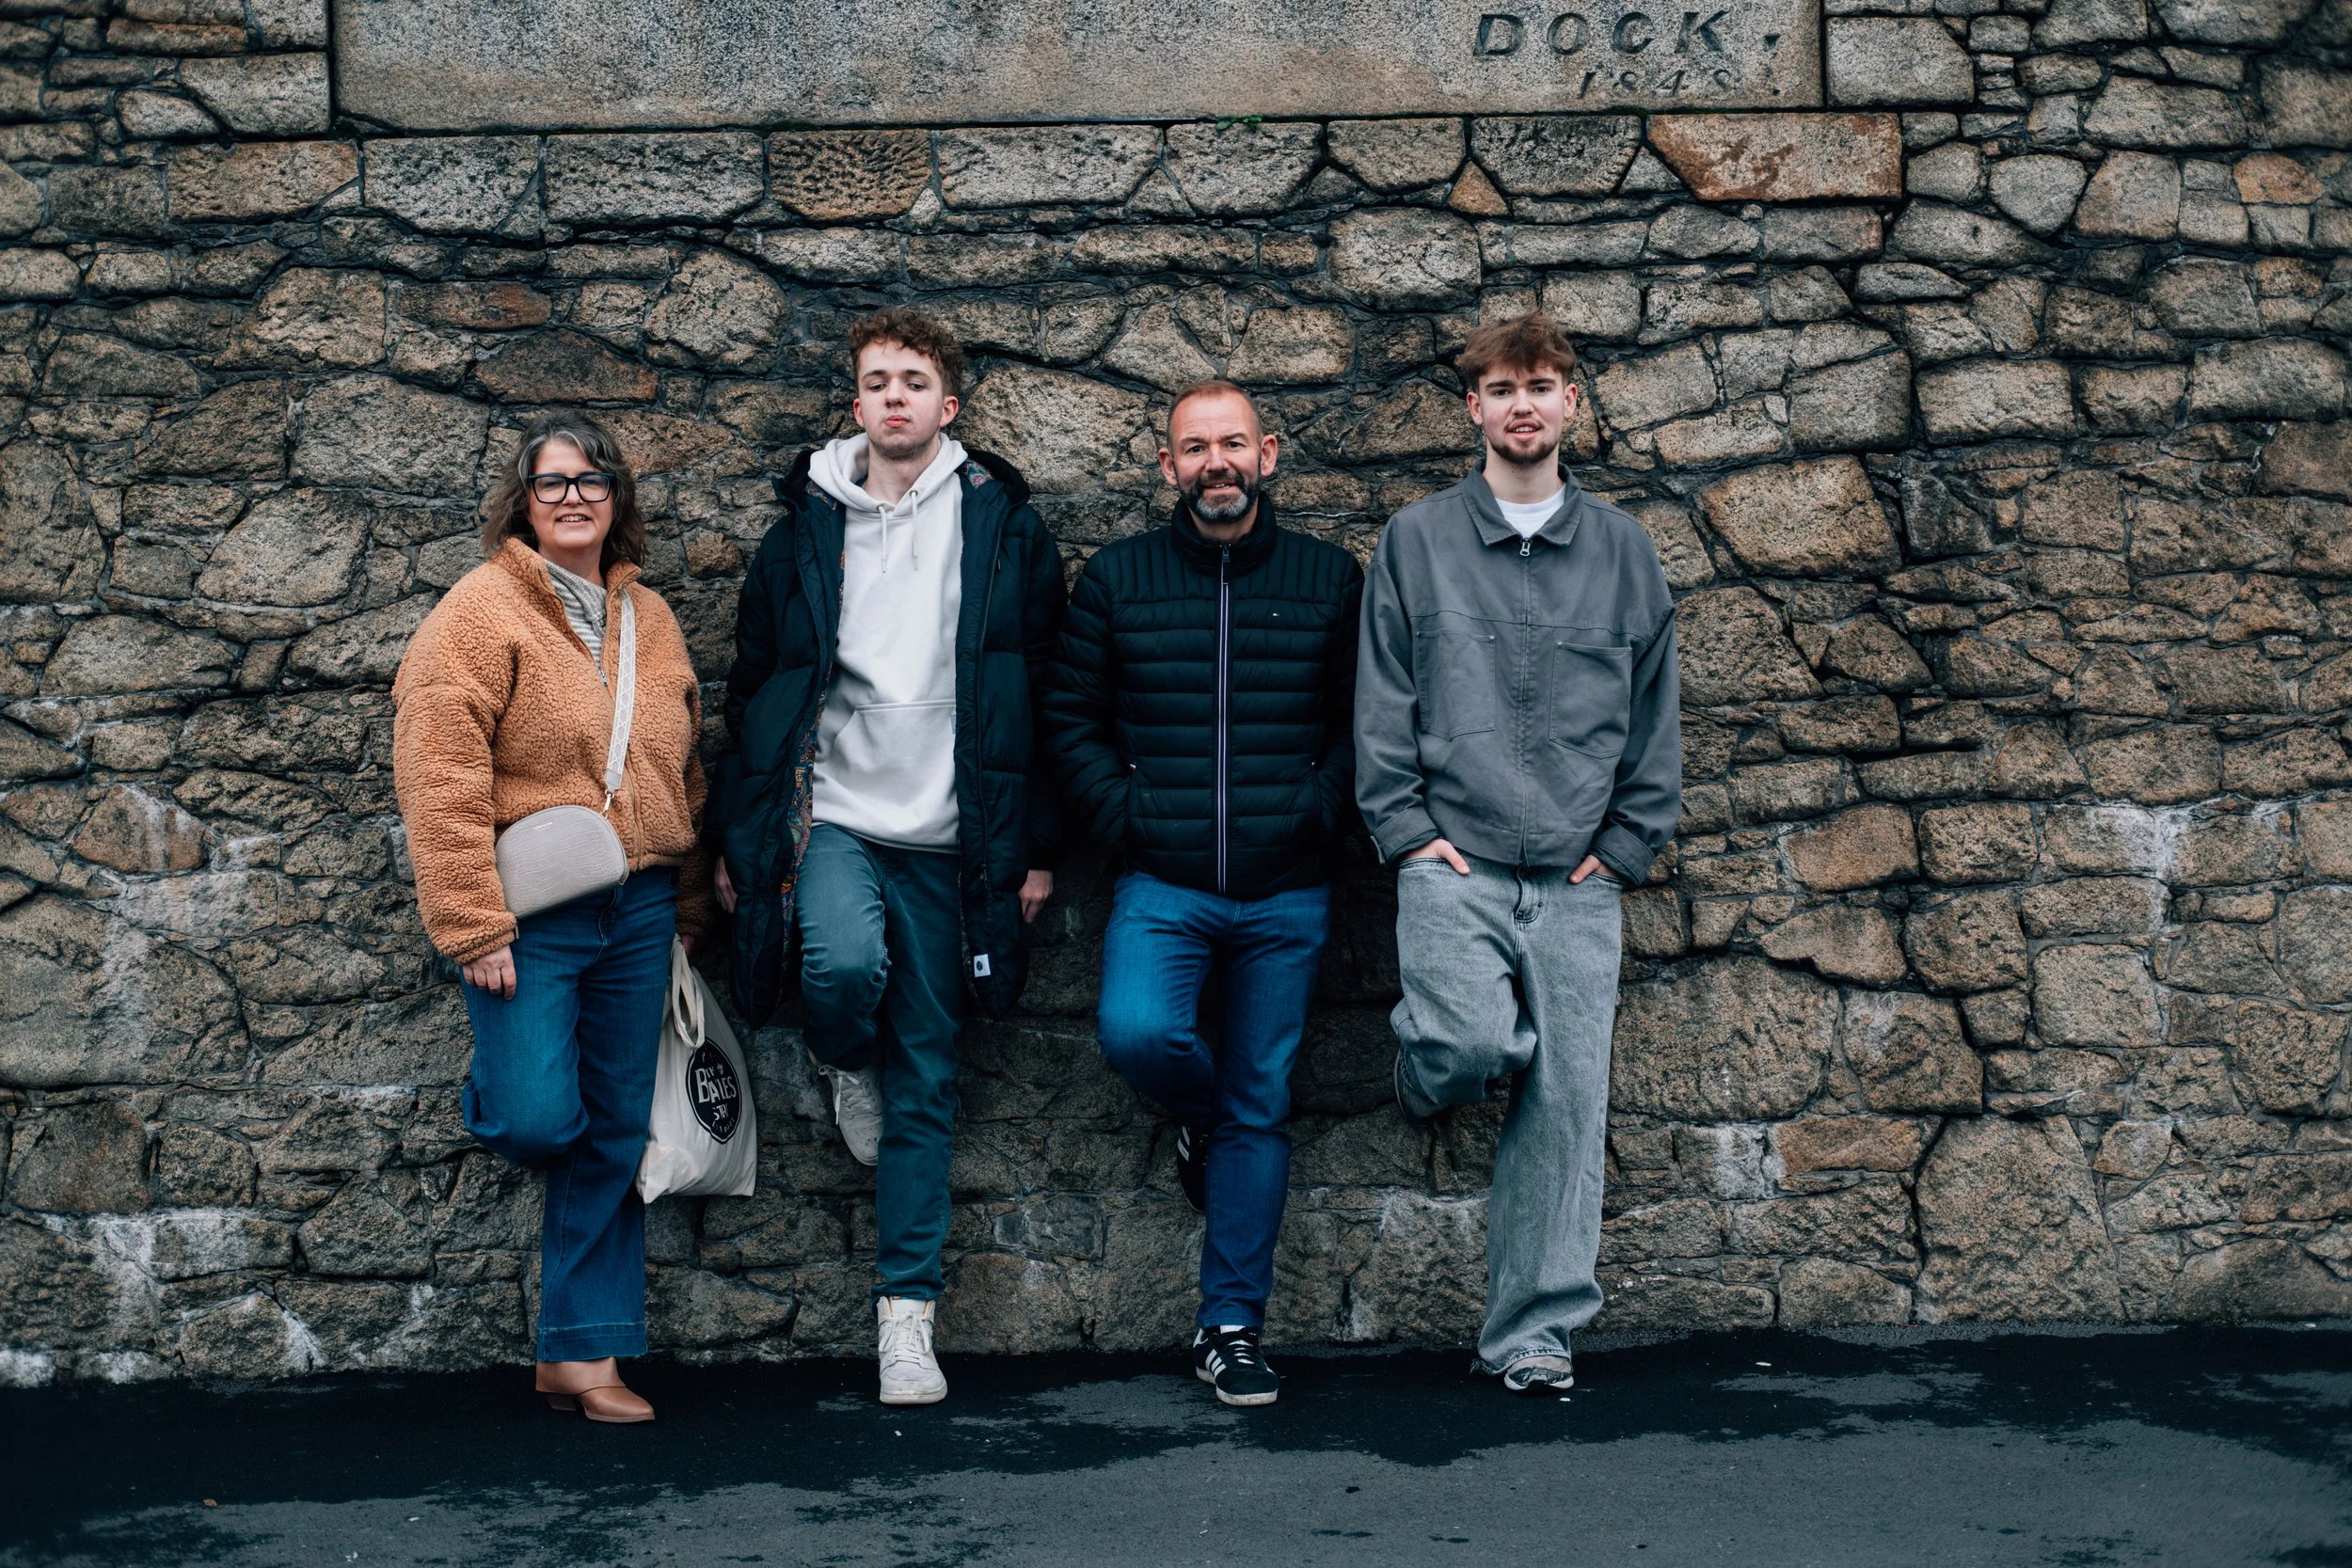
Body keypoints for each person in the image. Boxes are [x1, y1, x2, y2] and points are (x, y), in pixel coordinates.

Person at [707, 308, 1064, 1406]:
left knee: (930, 1085)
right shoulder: (803, 530)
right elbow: (755, 688)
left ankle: (905, 1323)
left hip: (958, 842)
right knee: (839, 969)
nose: (895, 395)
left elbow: (1043, 693)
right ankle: (839, 1055)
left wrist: (1035, 846)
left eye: (915, 380)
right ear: (855, 404)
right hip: (839, 821)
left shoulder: (1005, 527)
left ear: (947, 406)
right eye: (877, 380)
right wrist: (742, 831)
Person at [1355, 313, 1680, 1395]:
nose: (1522, 404)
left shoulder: (1624, 551)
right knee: (1466, 1040)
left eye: (1541, 385)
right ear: (1474, 409)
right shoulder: (1417, 539)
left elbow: (1652, 713)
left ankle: (1532, 1333)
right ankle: (1423, 1066)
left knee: (1566, 1107)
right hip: (1454, 859)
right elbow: (1382, 699)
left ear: (1571, 402)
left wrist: (1626, 845)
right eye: (1501, 388)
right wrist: (1406, 831)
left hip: (1579, 878)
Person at [1042, 380, 1362, 1408]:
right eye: (1195, 448)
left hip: (1288, 888)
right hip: (1162, 880)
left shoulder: (1327, 577)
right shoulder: (1119, 579)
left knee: (1264, 1104)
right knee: (1139, 1032)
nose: (1214, 463)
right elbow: (1071, 719)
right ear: (1169, 465)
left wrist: (1316, 810)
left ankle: (1229, 1325)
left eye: (1232, 444)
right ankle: (1206, 1116)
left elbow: (1367, 722)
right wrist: (1128, 819)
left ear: (1267, 453)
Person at [392, 412, 712, 1424]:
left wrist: (691, 906)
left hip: (641, 904)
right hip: (530, 915)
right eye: (551, 482)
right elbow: (438, 768)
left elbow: (682, 769)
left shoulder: (650, 617)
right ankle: (509, 1080)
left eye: (590, 480)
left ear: (617, 497)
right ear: (522, 503)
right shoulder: (479, 611)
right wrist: (470, 922)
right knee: (538, 1114)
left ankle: (583, 1351)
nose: (572, 496)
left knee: (613, 1126)